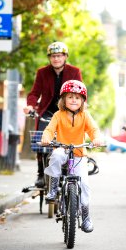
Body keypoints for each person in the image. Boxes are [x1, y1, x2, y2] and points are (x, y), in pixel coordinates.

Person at [41, 80, 103, 233]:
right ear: (63, 100)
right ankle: (53, 189)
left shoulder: (85, 115)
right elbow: (49, 130)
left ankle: (86, 217)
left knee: (85, 186)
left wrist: (97, 138)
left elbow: (94, 129)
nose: (74, 100)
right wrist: (46, 138)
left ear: (82, 100)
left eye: (77, 97)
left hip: (79, 154)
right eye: (70, 97)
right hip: (62, 149)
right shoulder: (58, 115)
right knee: (55, 156)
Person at [23, 42, 83, 188]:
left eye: (59, 56)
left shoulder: (74, 71)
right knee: (42, 140)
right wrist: (30, 106)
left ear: (65, 57)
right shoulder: (42, 72)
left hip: (68, 112)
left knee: (70, 142)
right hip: (47, 112)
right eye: (53, 56)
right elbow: (34, 93)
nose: (56, 59)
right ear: (49, 58)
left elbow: (80, 91)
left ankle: (69, 169)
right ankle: (41, 174)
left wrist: (79, 107)